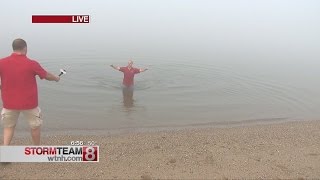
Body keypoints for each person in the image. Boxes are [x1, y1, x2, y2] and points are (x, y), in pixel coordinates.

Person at [0, 38, 60, 145]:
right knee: (35, 127)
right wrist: (56, 78)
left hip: (9, 103)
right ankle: (36, 149)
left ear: (13, 48)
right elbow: (46, 75)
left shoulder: (2, 62)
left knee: (8, 127)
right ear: (25, 48)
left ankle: (5, 152)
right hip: (30, 104)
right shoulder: (31, 63)